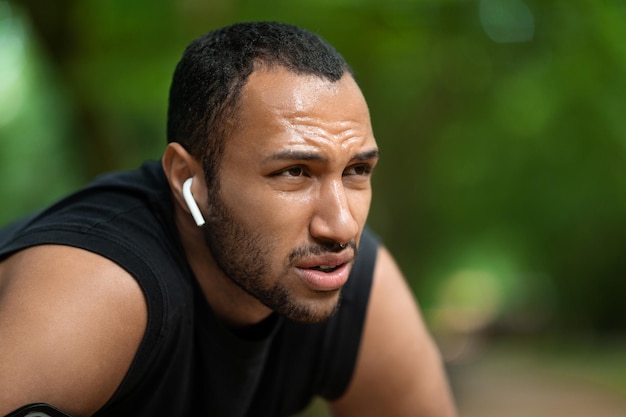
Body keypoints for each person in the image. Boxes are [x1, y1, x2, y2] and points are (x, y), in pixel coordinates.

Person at [0, 21, 456, 417]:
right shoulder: (98, 288)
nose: (341, 227)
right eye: (294, 172)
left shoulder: (340, 275)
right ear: (188, 181)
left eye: (356, 171)